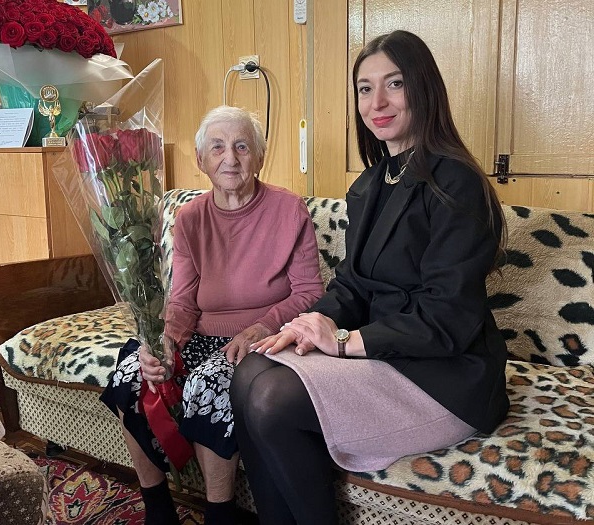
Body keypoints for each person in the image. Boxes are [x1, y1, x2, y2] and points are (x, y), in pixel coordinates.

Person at [230, 30, 510, 525]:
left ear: (423, 88)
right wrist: (306, 324)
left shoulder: (458, 183)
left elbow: (447, 317)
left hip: (447, 376)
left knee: (273, 398)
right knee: (250, 371)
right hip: (384, 356)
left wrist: (343, 342)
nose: (376, 102)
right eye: (364, 88)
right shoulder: (370, 184)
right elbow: (353, 286)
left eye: (394, 84)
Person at [101, 105, 324, 525]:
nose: (230, 158)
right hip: (202, 334)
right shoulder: (189, 218)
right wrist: (165, 341)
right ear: (201, 159)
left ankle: (220, 516)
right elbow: (183, 300)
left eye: (242, 146)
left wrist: (262, 326)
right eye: (218, 147)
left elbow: (310, 292)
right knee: (133, 372)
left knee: (207, 384)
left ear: (260, 156)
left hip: (264, 340)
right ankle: (158, 509)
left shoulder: (288, 210)